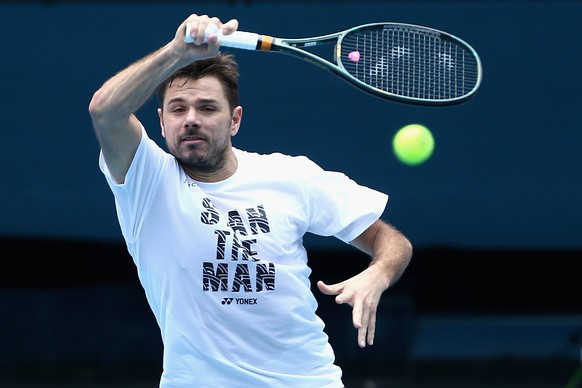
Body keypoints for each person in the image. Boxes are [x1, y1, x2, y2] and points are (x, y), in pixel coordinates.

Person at [88, 13, 412, 387]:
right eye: (178, 109)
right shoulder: (146, 180)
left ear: (235, 120)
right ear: (161, 123)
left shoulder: (291, 176)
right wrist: (176, 52)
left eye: (208, 108)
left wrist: (379, 272)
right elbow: (105, 111)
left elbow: (391, 240)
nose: (191, 119)